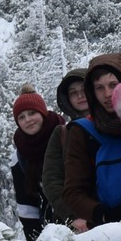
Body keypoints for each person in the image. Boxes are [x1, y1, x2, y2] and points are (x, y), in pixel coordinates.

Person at [62, 52, 121, 228]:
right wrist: (103, 214)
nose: (107, 94)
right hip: (107, 231)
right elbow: (73, 191)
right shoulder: (82, 131)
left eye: (113, 85)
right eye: (99, 88)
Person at [10, 85, 63, 241]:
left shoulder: (66, 136)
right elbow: (26, 205)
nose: (28, 120)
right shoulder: (20, 156)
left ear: (43, 112)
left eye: (32, 113)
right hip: (51, 230)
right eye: (21, 117)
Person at [40, 68, 88, 226]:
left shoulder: (119, 126)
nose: (80, 96)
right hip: (77, 226)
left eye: (84, 89)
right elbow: (51, 180)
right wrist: (72, 216)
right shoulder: (62, 133)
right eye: (73, 92)